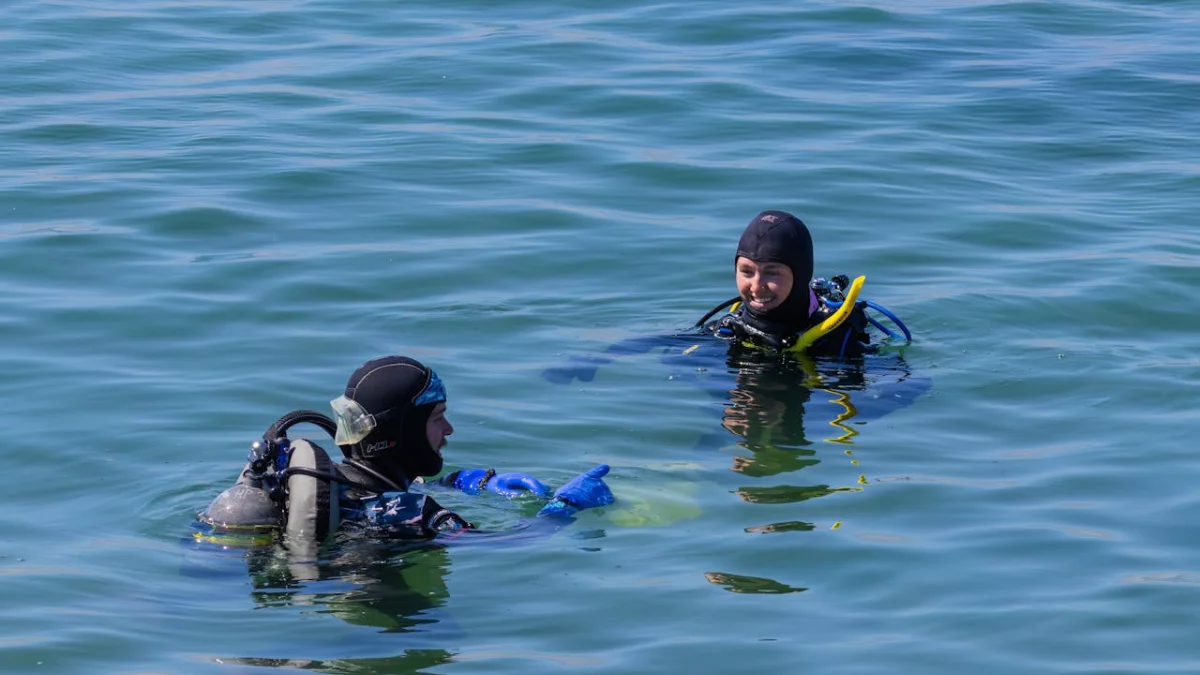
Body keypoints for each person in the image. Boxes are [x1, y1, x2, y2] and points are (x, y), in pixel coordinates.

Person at [196, 355, 615, 549]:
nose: (449, 430)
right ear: (405, 432)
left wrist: (463, 481)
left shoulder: (326, 487)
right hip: (385, 625)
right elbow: (504, 543)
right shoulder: (419, 514)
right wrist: (563, 509)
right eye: (438, 418)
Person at [694, 209, 910, 358]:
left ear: (800, 275)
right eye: (747, 272)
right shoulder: (726, 330)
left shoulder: (836, 341)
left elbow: (905, 386)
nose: (756, 285)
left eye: (772, 273)